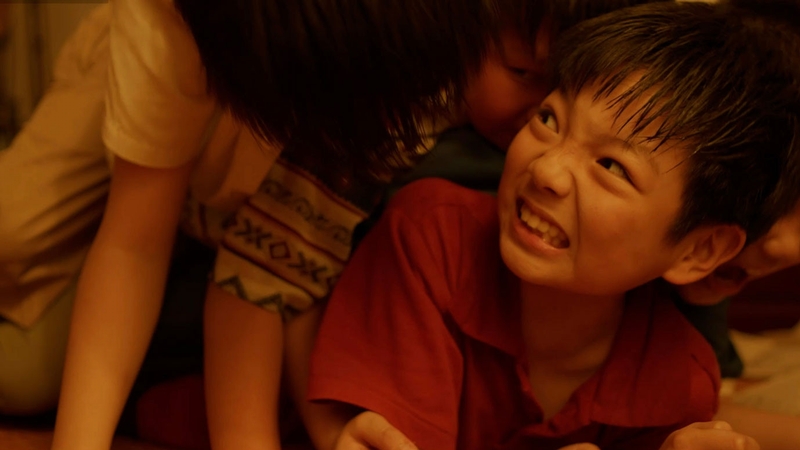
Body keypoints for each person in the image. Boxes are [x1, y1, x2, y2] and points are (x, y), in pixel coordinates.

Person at [306, 2, 800, 449]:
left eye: (611, 167)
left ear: (700, 250)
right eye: (548, 120)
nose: (546, 170)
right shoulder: (432, 235)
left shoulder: (681, 379)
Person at [44, 1, 505, 449]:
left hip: (233, 177)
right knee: (17, 255)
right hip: (157, 77)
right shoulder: (166, 31)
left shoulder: (427, 63)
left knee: (32, 373)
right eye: (521, 72)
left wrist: (328, 430)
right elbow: (135, 243)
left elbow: (274, 269)